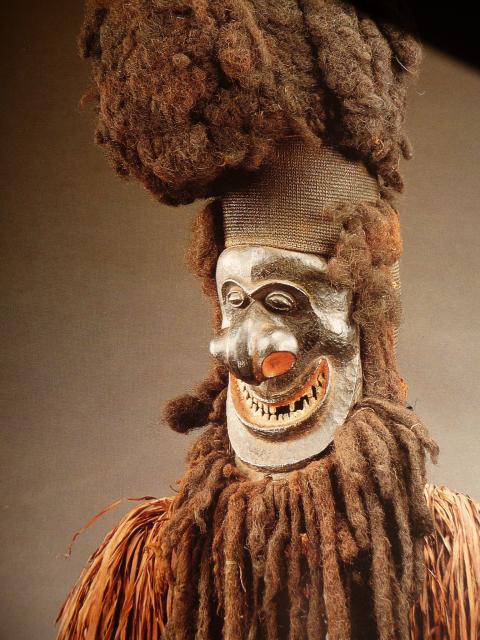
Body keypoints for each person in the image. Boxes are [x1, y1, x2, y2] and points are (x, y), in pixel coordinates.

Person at [57, 2, 480, 638]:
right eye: (234, 301)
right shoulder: (147, 571)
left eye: (283, 301)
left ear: (370, 311)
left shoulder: (453, 571)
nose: (243, 351)